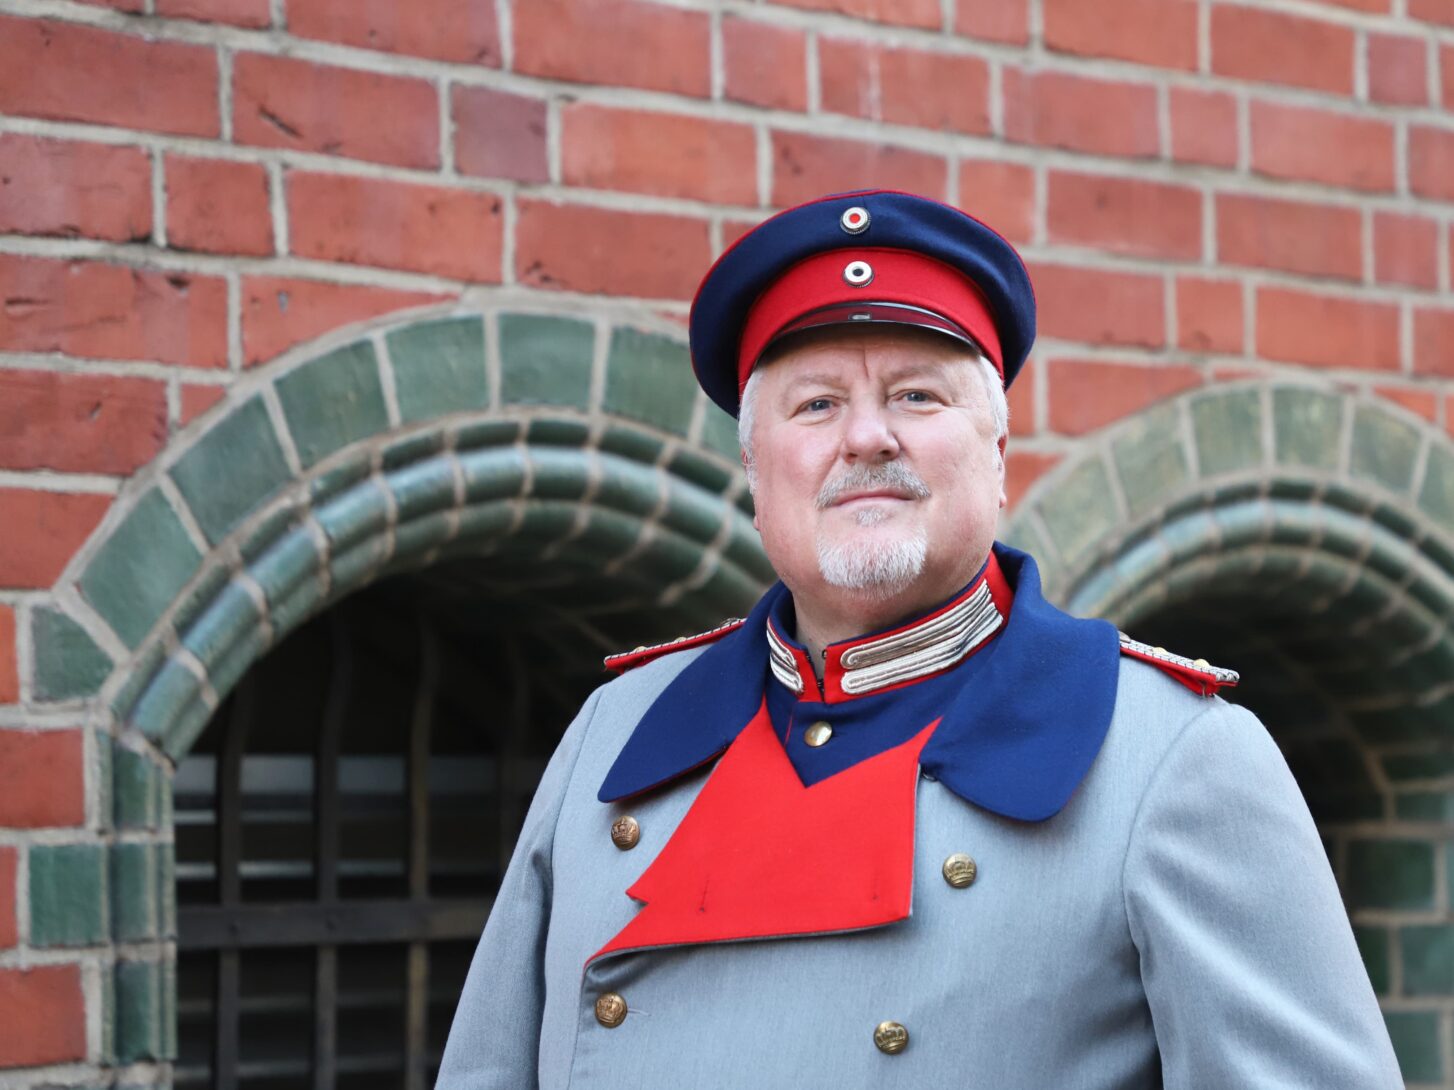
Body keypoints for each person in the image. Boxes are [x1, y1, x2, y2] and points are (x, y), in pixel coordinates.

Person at [436, 190, 1402, 1088]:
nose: (866, 438)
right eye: (816, 405)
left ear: (997, 454)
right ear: (753, 470)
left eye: (917, 397)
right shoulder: (616, 729)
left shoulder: (1178, 759)